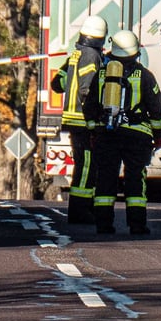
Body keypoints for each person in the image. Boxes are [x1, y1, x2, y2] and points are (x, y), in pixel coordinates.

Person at [84, 30, 161, 235]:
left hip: (107, 134)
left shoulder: (101, 74)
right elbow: (156, 109)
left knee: (105, 177)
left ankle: (103, 224)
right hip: (137, 136)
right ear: (136, 53)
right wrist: (158, 135)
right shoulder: (145, 76)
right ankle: (137, 224)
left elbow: (89, 106)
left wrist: (94, 130)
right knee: (135, 177)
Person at [50, 15, 108, 224]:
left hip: (74, 120)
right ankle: (80, 210)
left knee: (85, 165)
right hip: (83, 121)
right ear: (101, 38)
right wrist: (93, 121)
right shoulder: (91, 56)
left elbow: (57, 84)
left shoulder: (76, 54)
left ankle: (83, 208)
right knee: (86, 166)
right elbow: (87, 90)